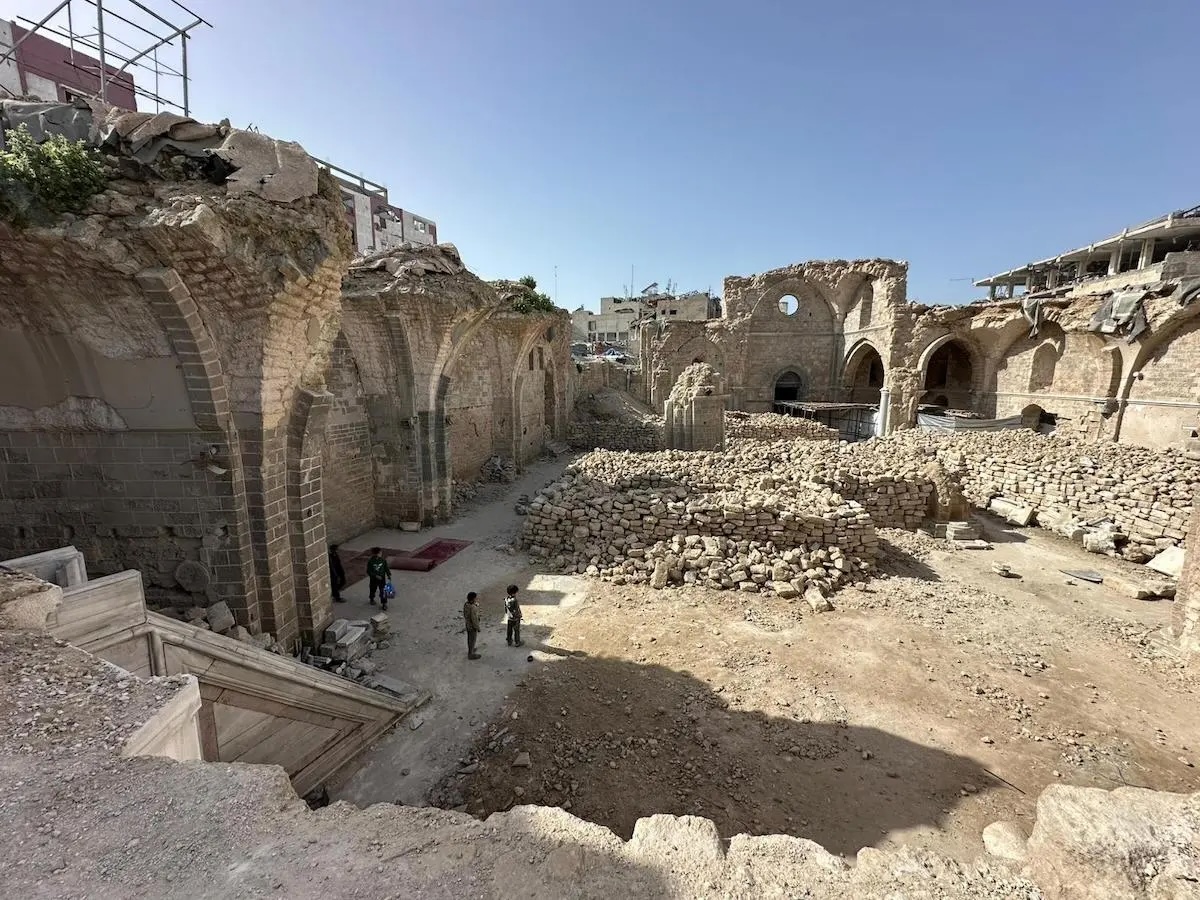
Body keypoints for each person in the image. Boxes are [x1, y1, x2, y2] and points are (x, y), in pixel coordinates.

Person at [463, 591, 482, 660]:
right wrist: (477, 627)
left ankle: (471, 650)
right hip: (472, 627)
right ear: (473, 599)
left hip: (468, 625)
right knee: (472, 640)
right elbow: (474, 619)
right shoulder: (473, 607)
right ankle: (471, 654)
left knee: (469, 639)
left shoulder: (466, 605)